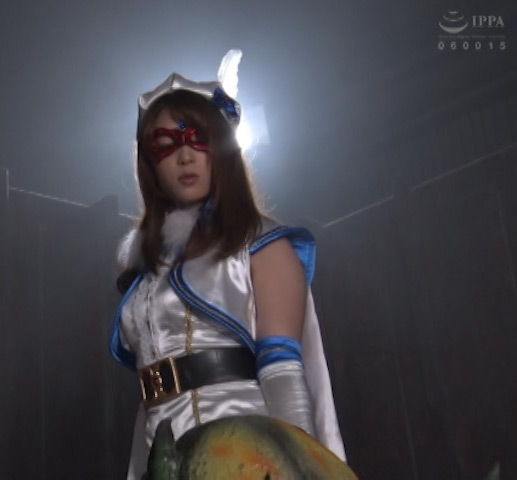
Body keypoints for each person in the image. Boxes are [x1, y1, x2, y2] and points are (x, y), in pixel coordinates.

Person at [109, 56, 348, 479]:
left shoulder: (260, 244)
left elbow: (284, 374)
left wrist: (298, 468)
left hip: (243, 457)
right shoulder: (147, 270)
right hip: (161, 457)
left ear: (221, 148)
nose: (185, 156)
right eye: (166, 143)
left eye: (199, 138)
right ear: (149, 162)